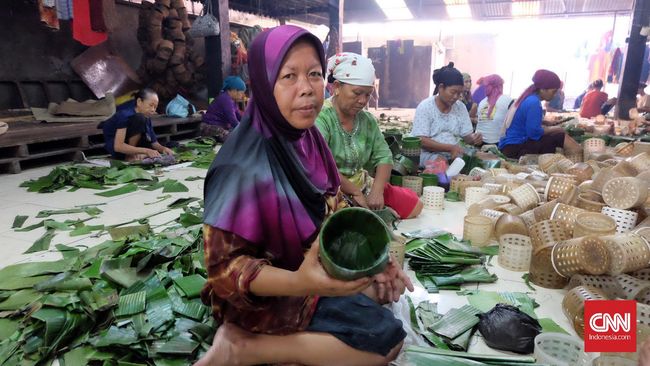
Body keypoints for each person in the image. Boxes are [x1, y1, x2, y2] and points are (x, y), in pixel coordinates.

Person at [196, 25, 412, 366]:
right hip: (262, 296)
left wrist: (376, 259)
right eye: (288, 76)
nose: (306, 89)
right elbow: (224, 272)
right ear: (263, 83)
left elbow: (334, 209)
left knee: (378, 288)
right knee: (386, 343)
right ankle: (242, 347)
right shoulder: (239, 166)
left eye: (313, 74)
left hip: (307, 270)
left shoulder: (309, 140)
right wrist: (300, 282)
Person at [316, 53, 423, 219]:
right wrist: (354, 192)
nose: (362, 101)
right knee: (343, 220)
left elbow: (384, 156)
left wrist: (376, 192)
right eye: (357, 93)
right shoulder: (322, 118)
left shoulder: (367, 120)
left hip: (361, 183)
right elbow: (322, 166)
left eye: (368, 94)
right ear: (336, 86)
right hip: (331, 188)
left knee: (414, 206)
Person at [498, 70, 582, 159]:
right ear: (542, 89)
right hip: (516, 148)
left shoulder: (528, 97)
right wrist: (556, 129)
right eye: (553, 91)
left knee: (554, 136)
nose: (554, 95)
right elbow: (533, 133)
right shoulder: (534, 102)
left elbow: (524, 122)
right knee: (560, 137)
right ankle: (575, 162)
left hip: (510, 146)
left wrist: (544, 122)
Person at [411, 62, 483, 165]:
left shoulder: (460, 107)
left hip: (454, 153)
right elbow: (421, 140)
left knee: (483, 159)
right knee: (441, 163)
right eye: (453, 92)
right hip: (427, 154)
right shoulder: (425, 107)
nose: (456, 97)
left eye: (459, 93)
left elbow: (467, 136)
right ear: (441, 87)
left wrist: (474, 138)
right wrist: (450, 148)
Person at [100, 88, 173, 161]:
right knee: (140, 118)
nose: (153, 110)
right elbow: (118, 146)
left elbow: (154, 142)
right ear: (139, 102)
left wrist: (163, 149)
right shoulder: (124, 115)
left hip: (135, 147)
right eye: (151, 105)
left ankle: (138, 155)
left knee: (167, 146)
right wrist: (146, 151)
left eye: (155, 107)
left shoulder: (146, 116)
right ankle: (130, 156)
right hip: (118, 149)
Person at [201, 76, 247, 142]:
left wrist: (247, 123)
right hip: (209, 126)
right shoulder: (225, 99)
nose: (243, 95)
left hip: (221, 126)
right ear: (234, 90)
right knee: (232, 138)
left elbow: (238, 116)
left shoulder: (233, 101)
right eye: (242, 93)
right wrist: (244, 130)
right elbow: (233, 120)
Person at [475, 74, 512, 144]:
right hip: (498, 144)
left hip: (480, 142)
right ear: (500, 86)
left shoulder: (482, 102)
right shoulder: (507, 100)